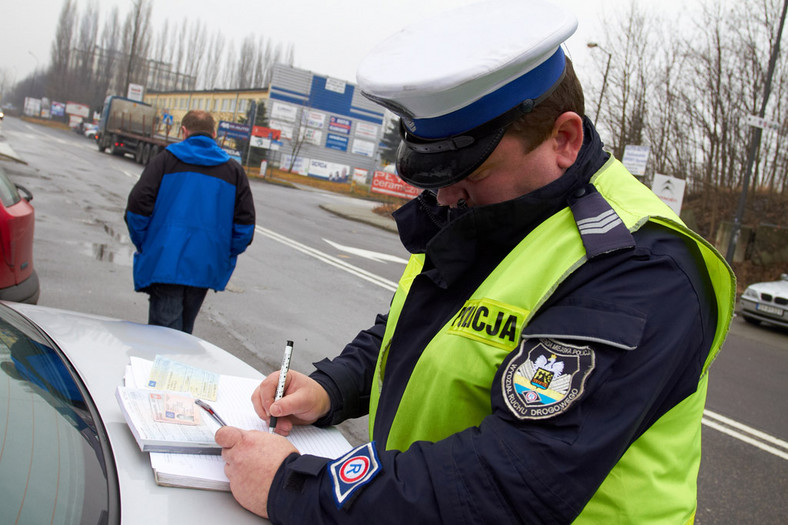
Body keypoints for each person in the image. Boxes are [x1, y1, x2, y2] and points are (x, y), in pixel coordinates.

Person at [217, 0, 735, 523]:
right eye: (438, 178)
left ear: (564, 138)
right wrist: (335, 386)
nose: (444, 199)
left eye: (471, 173)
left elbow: (513, 481)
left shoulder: (638, 266)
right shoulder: (502, 210)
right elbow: (421, 330)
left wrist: (298, 488)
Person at [125, 110, 255, 334]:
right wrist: (221, 253)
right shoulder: (233, 171)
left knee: (163, 338)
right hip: (205, 266)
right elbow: (245, 226)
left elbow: (136, 208)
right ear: (214, 133)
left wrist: (147, 243)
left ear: (183, 131)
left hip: (165, 261)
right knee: (183, 334)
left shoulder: (165, 160)